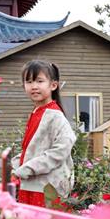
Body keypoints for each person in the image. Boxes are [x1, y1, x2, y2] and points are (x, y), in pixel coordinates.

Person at [12, 60, 76, 207]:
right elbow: (30, 149)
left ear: (53, 85)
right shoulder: (36, 112)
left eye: (39, 81)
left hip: (47, 188)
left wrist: (27, 169)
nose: (34, 86)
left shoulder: (55, 116)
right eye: (29, 82)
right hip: (32, 184)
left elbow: (62, 149)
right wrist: (15, 166)